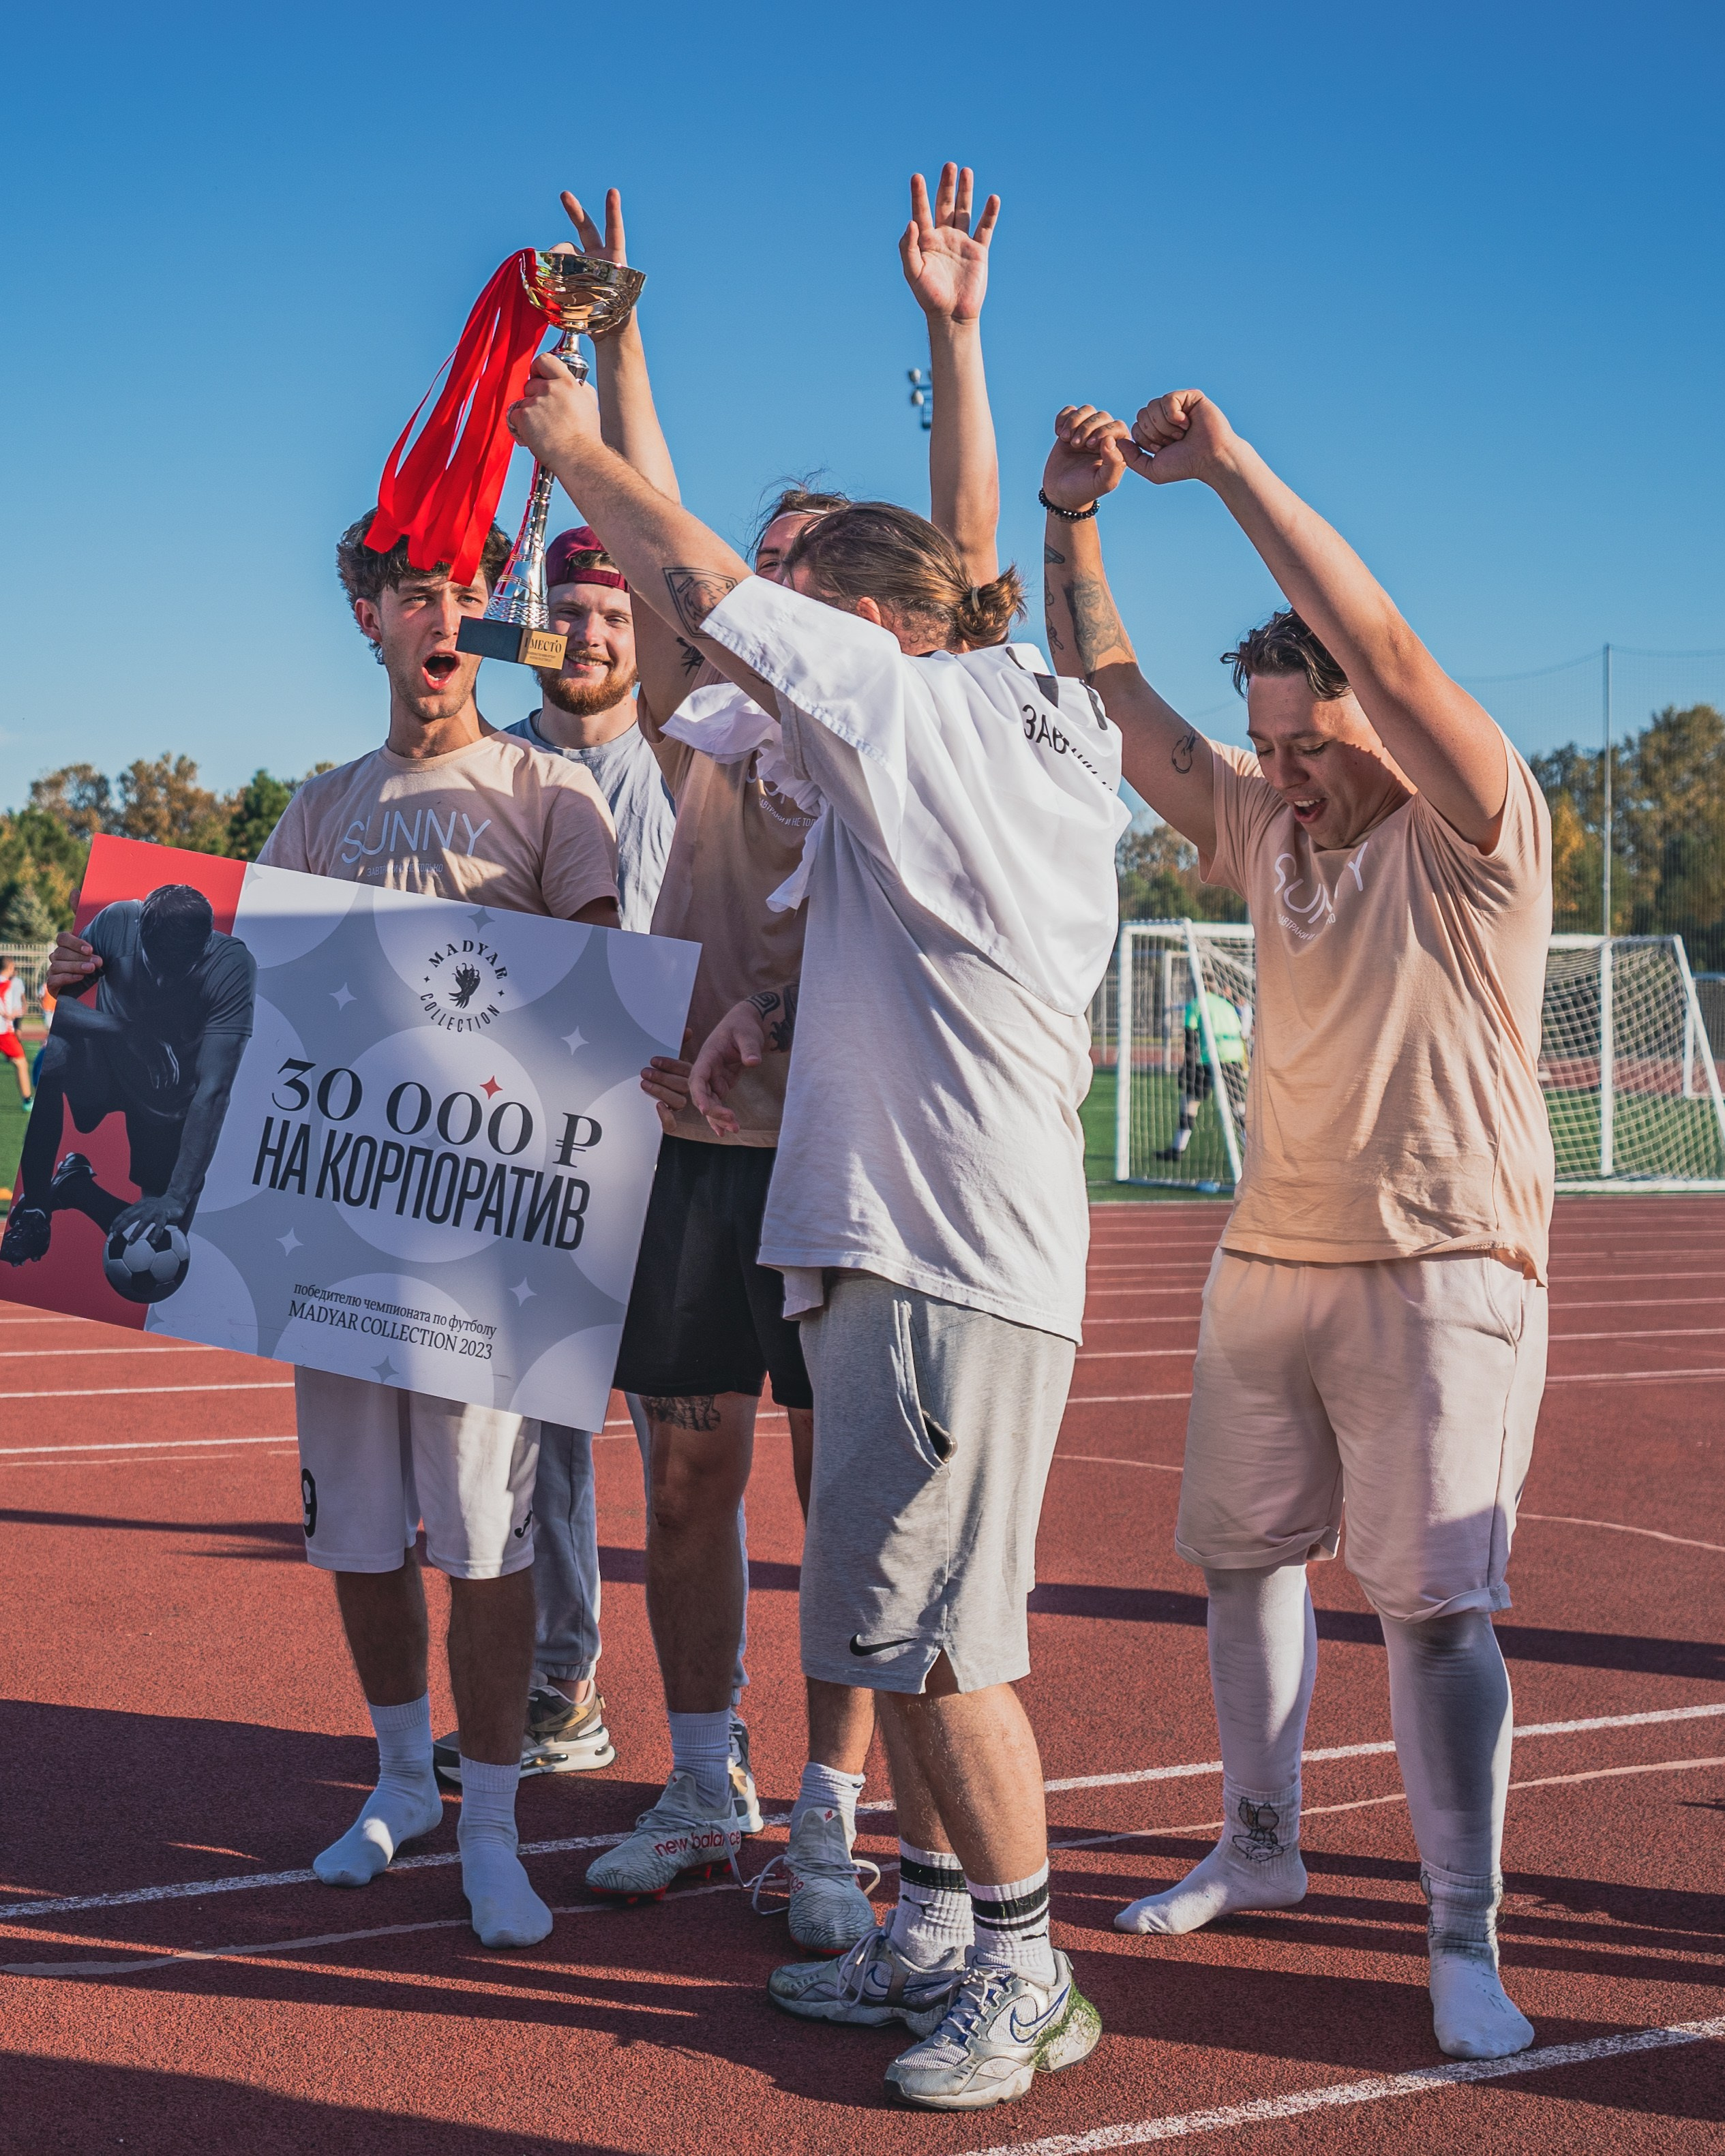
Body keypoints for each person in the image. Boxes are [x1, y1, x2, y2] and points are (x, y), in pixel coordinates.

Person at [508, 322, 1126, 2109]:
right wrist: (761, 1021)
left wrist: (574, 438)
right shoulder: (972, 741)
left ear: (869, 635)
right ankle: (938, 1912)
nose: (759, 639)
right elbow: (900, 954)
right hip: (900, 1245)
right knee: (896, 1623)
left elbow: (695, 577)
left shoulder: (923, 709)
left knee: (935, 1645)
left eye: (803, 607)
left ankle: (1024, 1962)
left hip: (937, 1259)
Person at [1038, 390, 1552, 2063]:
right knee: (1240, 1559)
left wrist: (1233, 472)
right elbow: (1113, 706)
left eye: (1307, 742)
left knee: (1431, 1607)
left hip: (1439, 1255)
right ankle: (1258, 1842)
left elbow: (1385, 646)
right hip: (1270, 1252)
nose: (1282, 775)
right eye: (1265, 745)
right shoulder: (1264, 824)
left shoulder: (1479, 823)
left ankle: (1459, 1931)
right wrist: (1073, 522)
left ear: (1375, 726)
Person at [47, 511, 622, 1951]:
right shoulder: (318, 809)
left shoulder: (552, 795)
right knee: (360, 1535)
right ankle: (397, 1779)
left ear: (487, 612)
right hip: (330, 1240)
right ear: (367, 615)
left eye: (457, 587)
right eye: (406, 588)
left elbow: (604, 1016)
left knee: (486, 1546)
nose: (435, 612)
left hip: (484, 1248)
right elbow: (227, 1006)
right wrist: (97, 967)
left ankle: (491, 1823)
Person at [573, 172, 1009, 1966]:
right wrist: (618, 334)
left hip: (834, 1136)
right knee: (683, 1465)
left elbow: (974, 570)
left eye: (832, 552)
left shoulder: (901, 718)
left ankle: (832, 1823)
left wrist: (949, 332)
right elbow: (657, 516)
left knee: (844, 1499)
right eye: (781, 552)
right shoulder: (711, 694)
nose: (798, 573)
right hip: (690, 1129)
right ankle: (702, 1780)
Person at [5, 886, 254, 1269]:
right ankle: (37, 1209)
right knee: (54, 1053)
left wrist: (175, 1197)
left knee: (166, 1240)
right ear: (140, 936)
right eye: (154, 967)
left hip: (167, 1095)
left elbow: (215, 1089)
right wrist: (126, 1029)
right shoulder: (118, 921)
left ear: (204, 948)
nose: (160, 985)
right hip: (104, 1066)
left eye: (177, 973)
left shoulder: (231, 965)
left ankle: (76, 1187)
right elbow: (59, 1008)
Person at [1158, 987, 1248, 1161]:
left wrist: (1187, 1067)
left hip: (1210, 1058)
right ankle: (1252, 1150)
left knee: (1190, 1100)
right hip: (1235, 1057)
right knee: (1238, 1106)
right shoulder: (1226, 1004)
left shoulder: (1197, 1003)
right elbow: (1240, 1032)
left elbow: (1190, 1036)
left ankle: (1177, 1149)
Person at [0, 954, 31, 1106]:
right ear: (11, 967)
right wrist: (6, 1013)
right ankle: (27, 1100)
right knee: (21, 1063)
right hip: (3, 1032)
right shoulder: (5, 983)